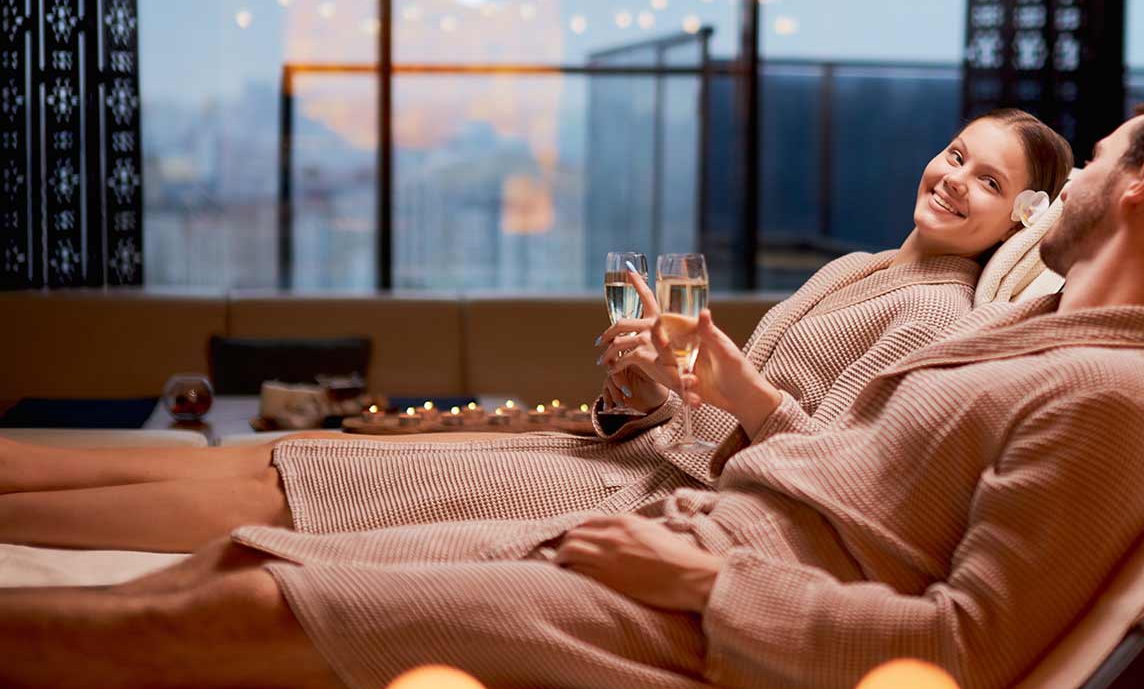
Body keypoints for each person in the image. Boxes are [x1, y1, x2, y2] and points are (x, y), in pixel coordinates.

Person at [0, 98, 1144, 689]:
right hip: (677, 520)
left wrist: (716, 584)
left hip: (704, 584)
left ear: (1140, 180)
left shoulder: (1111, 398)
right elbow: (832, 456)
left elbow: (961, 650)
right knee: (241, 567)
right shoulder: (1025, 339)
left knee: (253, 609)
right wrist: (664, 393)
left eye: (1086, 156)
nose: (966, 180)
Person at [0, 110, 1072, 553]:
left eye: (991, 179)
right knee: (288, 458)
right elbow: (689, 407)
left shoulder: (935, 315)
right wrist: (646, 384)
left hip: (640, 497)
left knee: (283, 492)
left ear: (1021, 217)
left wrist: (729, 398)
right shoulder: (858, 267)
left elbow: (836, 477)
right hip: (619, 452)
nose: (955, 177)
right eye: (956, 153)